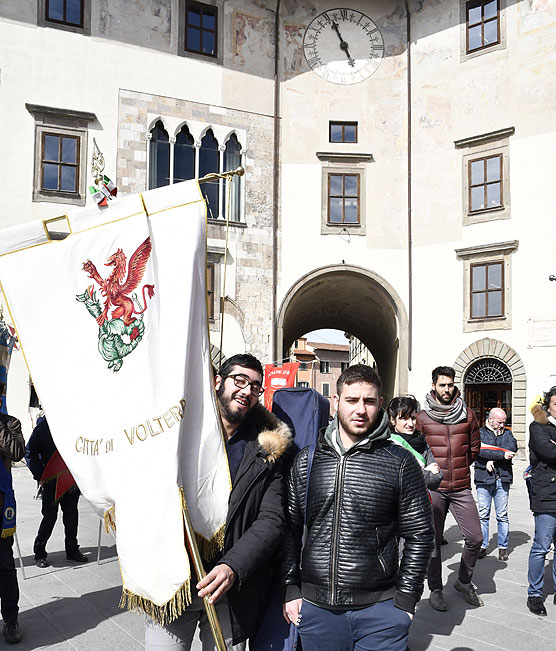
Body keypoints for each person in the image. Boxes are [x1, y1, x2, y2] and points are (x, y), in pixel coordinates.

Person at [281, 365, 434, 651]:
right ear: (336, 402)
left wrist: (406, 599)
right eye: (352, 400)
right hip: (317, 608)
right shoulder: (307, 461)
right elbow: (289, 528)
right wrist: (290, 587)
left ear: (381, 406)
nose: (360, 410)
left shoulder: (400, 462)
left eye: (370, 401)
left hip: (381, 609)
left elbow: (420, 534)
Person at [146, 353, 291, 650]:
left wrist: (232, 566)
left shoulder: (268, 449)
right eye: (239, 380)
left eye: (255, 386)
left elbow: (272, 520)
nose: (247, 391)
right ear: (217, 382)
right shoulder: (178, 431)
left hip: (232, 591)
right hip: (175, 583)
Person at [416, 366, 483, 610]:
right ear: (434, 385)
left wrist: (461, 466)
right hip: (434, 488)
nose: (447, 389)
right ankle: (435, 589)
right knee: (433, 541)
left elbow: (474, 447)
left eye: (450, 384)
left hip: (461, 486)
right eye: (442, 384)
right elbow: (416, 452)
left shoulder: (468, 415)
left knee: (475, 537)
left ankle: (463, 581)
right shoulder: (422, 418)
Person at [25, 418, 88, 567]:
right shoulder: (44, 426)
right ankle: (39, 553)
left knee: (71, 516)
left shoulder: (75, 424)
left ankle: (72, 550)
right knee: (49, 517)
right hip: (51, 482)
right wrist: (41, 475)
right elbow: (30, 452)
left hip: (70, 480)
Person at [526, 387, 556, 616]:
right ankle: (534, 594)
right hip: (546, 494)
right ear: (548, 406)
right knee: (541, 547)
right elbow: (549, 452)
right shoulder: (538, 427)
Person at [474, 408, 517, 562]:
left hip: (502, 478)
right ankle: (483, 546)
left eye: (504, 422)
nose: (502, 425)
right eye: (499, 422)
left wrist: (492, 459)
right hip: (484, 479)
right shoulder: (480, 433)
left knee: (502, 515)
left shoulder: (507, 433)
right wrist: (499, 455)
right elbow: (479, 450)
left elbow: (511, 449)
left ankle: (502, 547)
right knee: (483, 515)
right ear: (490, 419)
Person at [0, 388, 24, 644]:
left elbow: (17, 452)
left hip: (0, 507)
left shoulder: (10, 423)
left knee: (5, 568)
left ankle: (11, 619)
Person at [388, 395, 443, 490]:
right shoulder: (388, 443)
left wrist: (412, 474)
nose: (410, 424)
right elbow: (393, 478)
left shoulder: (423, 443)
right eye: (404, 418)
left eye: (413, 418)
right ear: (393, 420)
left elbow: (436, 478)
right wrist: (424, 472)